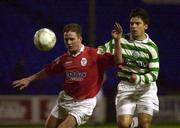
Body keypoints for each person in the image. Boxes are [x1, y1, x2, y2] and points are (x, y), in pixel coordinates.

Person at [12, 23, 122, 128]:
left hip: (83, 103)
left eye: (72, 39)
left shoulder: (94, 54)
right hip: (65, 99)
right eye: (66, 39)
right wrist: (29, 79)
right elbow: (48, 71)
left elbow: (117, 61)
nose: (69, 42)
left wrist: (117, 41)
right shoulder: (63, 59)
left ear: (80, 39)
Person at [98, 8, 160, 128]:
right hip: (126, 86)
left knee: (145, 125)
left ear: (145, 26)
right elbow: (100, 50)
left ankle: (139, 122)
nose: (134, 26)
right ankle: (132, 123)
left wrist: (137, 78)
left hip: (146, 89)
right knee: (123, 125)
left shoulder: (152, 48)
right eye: (132, 23)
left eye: (138, 23)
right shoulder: (121, 40)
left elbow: (154, 75)